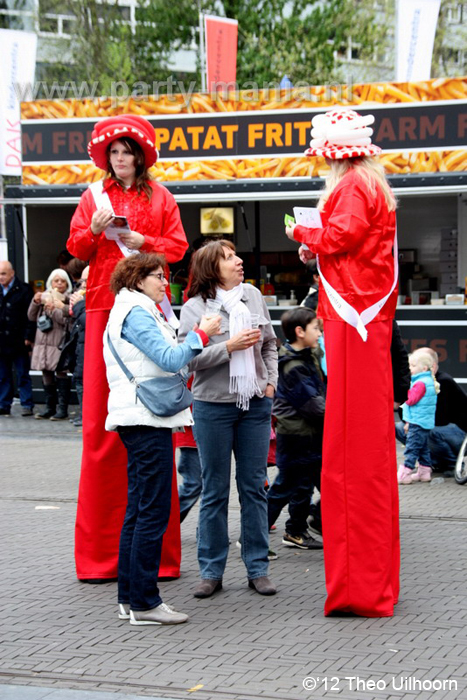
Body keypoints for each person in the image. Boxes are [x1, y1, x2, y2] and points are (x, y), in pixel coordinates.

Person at [285, 108, 400, 617]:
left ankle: (358, 585)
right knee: (362, 447)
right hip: (363, 316)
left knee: (349, 450)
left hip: (352, 317)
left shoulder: (351, 186)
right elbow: (349, 245)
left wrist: (305, 238)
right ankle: (369, 580)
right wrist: (319, 251)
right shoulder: (372, 187)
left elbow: (341, 238)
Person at [67, 114, 188, 582]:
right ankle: (100, 559)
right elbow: (76, 247)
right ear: (106, 157)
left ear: (141, 156)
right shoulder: (91, 198)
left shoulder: (161, 197)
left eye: (127, 153)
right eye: (113, 153)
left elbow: (176, 248)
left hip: (151, 311)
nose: (120, 160)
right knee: (101, 431)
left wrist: (144, 241)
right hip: (101, 307)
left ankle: (158, 558)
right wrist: (94, 230)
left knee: (157, 419)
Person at [104, 253, 220, 625]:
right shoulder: (137, 312)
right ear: (137, 279)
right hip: (144, 417)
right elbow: (170, 359)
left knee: (140, 509)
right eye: (157, 275)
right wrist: (202, 334)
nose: (163, 282)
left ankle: (131, 599)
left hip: (138, 415)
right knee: (152, 510)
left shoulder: (133, 309)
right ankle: (144, 602)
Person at [179, 240, 278, 598]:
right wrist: (229, 347)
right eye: (229, 258)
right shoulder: (194, 308)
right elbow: (188, 359)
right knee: (214, 489)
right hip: (212, 406)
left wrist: (270, 384)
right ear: (211, 268)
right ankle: (211, 571)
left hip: (254, 404)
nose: (238, 262)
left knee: (254, 487)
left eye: (236, 256)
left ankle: (258, 568)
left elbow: (269, 343)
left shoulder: (252, 295)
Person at [267, 307, 325, 551]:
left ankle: (297, 531)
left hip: (308, 435)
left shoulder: (309, 355)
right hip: (296, 437)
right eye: (316, 329)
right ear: (300, 332)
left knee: (306, 484)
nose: (320, 334)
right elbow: (313, 406)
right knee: (284, 488)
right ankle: (252, 538)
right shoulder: (293, 366)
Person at [396, 347, 467, 472]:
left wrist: (414, 423)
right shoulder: (415, 383)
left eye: (414, 364)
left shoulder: (443, 382)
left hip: (459, 433)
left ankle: (452, 464)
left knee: (425, 429)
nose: (410, 369)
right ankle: (430, 463)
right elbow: (405, 413)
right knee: (399, 428)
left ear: (430, 367)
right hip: (435, 426)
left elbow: (441, 419)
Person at [28, 268, 72, 420]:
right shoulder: (44, 296)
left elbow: (66, 321)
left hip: (58, 341)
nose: (59, 284)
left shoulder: (69, 299)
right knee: (46, 372)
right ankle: (49, 407)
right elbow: (31, 316)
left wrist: (53, 309)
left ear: (67, 284)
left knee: (61, 373)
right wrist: (35, 302)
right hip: (43, 342)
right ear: (50, 282)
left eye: (62, 281)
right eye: (56, 280)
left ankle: (62, 409)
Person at [397, 351, 440, 485]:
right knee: (422, 448)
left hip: (417, 421)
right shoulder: (428, 382)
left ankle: (405, 472)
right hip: (424, 422)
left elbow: (410, 400)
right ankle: (424, 472)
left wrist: (404, 392)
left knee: (412, 448)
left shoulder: (420, 383)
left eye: (413, 365)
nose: (410, 368)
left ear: (424, 368)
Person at [0, 261, 35, 416]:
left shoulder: (24, 290)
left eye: (3, 274)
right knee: (3, 375)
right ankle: (4, 404)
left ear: (12, 273)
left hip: (19, 340)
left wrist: (28, 336)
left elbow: (30, 317)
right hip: (1, 340)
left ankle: (27, 404)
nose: (0, 277)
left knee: (23, 374)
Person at [57, 267, 89, 427]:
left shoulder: (95, 299)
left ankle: (86, 416)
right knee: (79, 381)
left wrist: (79, 305)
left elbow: (89, 322)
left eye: (86, 281)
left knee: (84, 384)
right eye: (81, 281)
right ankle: (84, 415)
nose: (82, 285)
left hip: (87, 351)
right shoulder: (81, 298)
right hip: (79, 348)